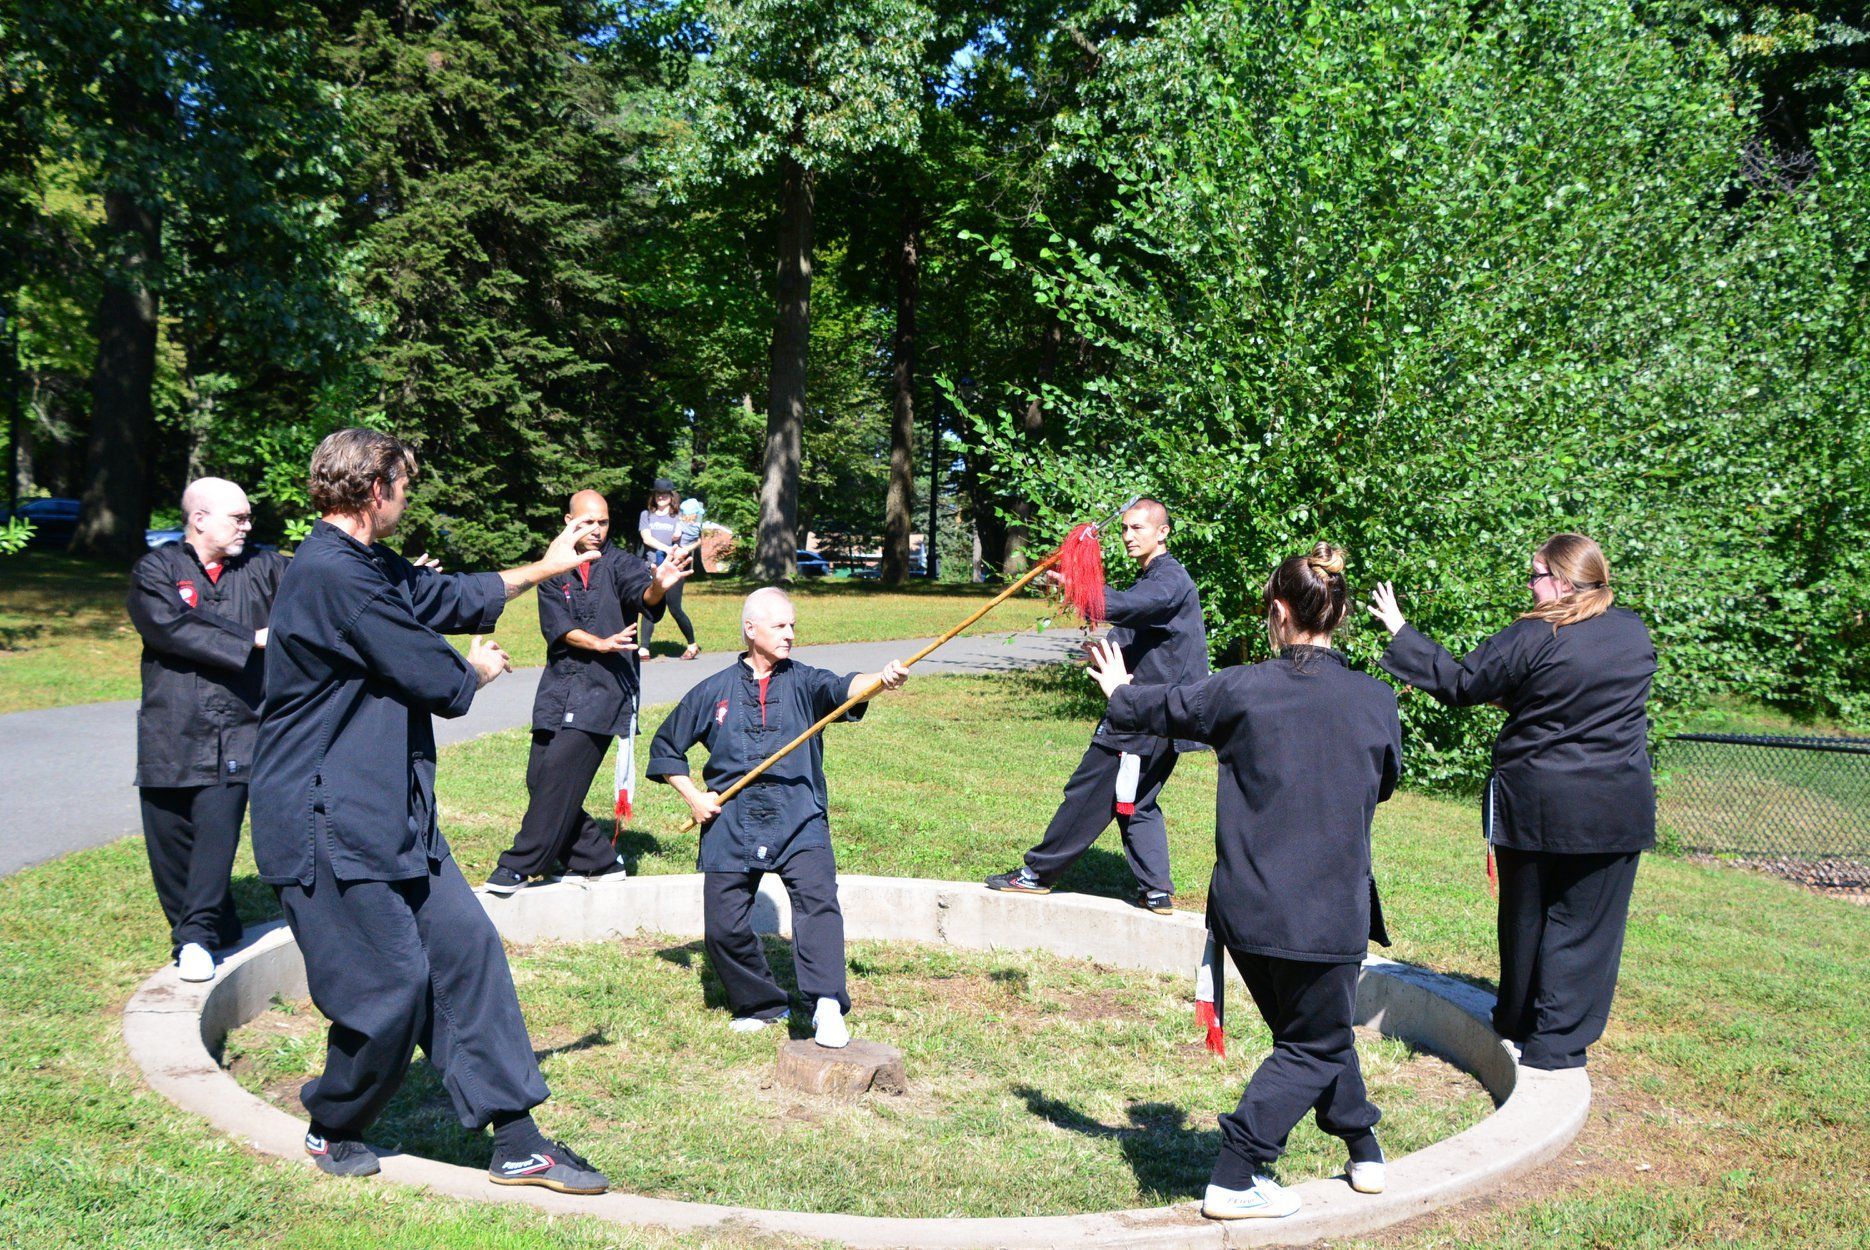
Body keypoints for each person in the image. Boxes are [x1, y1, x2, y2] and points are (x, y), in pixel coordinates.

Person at [249, 428, 610, 1193]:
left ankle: (517, 1140)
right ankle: (333, 1119)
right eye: (404, 487)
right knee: (389, 992)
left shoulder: (362, 563)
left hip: (392, 810)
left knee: (467, 951)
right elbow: (431, 675)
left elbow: (439, 595)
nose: (407, 499)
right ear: (375, 489)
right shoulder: (329, 576)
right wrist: (474, 669)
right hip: (325, 820)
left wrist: (547, 565)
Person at [1087, 543, 1401, 1221]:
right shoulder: (1377, 700)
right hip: (1322, 916)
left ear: (1279, 614)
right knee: (1312, 1042)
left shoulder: (1239, 688)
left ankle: (1362, 1142)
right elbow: (1384, 785)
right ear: (1340, 613)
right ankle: (1237, 1173)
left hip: (1246, 913)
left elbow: (1160, 710)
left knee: (1310, 1035)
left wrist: (1119, 690)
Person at [1369, 533, 1655, 1073]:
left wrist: (1401, 631)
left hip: (1540, 803)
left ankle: (1522, 1020)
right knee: (1585, 928)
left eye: (1535, 575)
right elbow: (1575, 692)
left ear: (1564, 582)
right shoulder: (1633, 634)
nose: (1528, 585)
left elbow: (1461, 683)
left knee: (1526, 916)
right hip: (1616, 807)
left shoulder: (1534, 635)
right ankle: (1557, 1043)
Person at [647, 587, 908, 1048]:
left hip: (799, 814)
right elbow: (666, 747)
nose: (790, 634)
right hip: (730, 817)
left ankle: (826, 1004)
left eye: (793, 626)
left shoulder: (806, 680)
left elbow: (844, 687)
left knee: (818, 905)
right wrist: (693, 798)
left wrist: (879, 680)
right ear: (751, 629)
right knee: (724, 927)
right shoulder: (713, 691)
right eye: (780, 626)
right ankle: (762, 1002)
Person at [985, 498, 1208, 912]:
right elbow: (1143, 633)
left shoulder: (1170, 578)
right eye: (1124, 528)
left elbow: (1130, 607)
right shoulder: (1156, 580)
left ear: (1163, 533)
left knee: (1088, 791)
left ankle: (1037, 874)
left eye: (1138, 528)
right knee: (1135, 801)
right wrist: (1105, 647)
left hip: (1142, 716)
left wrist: (1076, 586)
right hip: (1157, 712)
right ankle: (1157, 891)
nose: (1127, 536)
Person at [485, 489, 691, 894]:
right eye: (587, 522)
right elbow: (556, 627)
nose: (597, 530)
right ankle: (595, 860)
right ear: (568, 521)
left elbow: (642, 595)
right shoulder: (553, 569)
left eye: (604, 522)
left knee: (558, 778)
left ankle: (519, 865)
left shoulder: (622, 564)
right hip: (557, 689)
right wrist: (597, 642)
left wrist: (659, 587)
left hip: (604, 692)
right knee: (539, 779)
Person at [126, 477, 286, 983]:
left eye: (248, 517)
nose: (247, 525)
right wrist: (251, 638)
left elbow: (323, 583)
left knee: (216, 834)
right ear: (198, 519)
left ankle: (193, 939)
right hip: (170, 727)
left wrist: (385, 578)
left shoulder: (265, 566)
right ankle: (218, 922)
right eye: (237, 517)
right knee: (169, 843)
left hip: (240, 728)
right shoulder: (157, 569)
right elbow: (168, 626)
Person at [638, 478, 700, 660]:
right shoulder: (646, 515)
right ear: (654, 495)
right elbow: (646, 539)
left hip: (673, 568)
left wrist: (682, 550)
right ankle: (644, 648)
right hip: (653, 568)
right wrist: (668, 548)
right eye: (658, 493)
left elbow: (696, 539)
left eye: (665, 494)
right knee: (648, 606)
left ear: (671, 496)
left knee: (675, 609)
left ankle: (692, 644)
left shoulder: (680, 517)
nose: (661, 497)